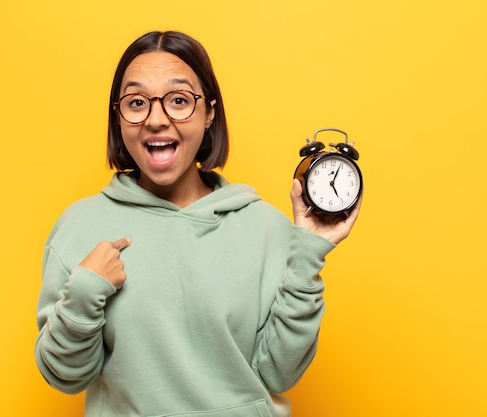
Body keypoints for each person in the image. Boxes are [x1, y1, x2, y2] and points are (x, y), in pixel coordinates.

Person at [35, 30, 361, 417]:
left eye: (178, 100)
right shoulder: (80, 225)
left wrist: (308, 253)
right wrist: (85, 292)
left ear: (209, 113)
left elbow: (279, 373)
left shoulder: (264, 227)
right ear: (118, 117)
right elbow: (66, 376)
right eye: (137, 102)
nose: (157, 119)